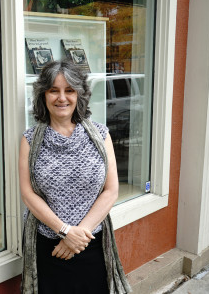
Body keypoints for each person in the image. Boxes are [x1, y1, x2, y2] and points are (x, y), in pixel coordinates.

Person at [19, 60, 131, 293]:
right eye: (54, 90)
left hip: (91, 245)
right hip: (50, 248)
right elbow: (28, 194)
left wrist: (77, 237)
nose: (62, 98)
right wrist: (65, 232)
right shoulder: (29, 140)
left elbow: (111, 190)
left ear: (80, 95)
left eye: (69, 90)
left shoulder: (101, 135)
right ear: (43, 95)